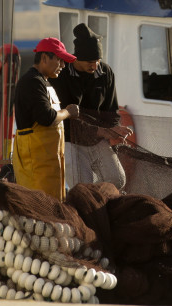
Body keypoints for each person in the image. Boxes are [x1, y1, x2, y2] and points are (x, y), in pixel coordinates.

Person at [50, 23, 130, 191]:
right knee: (82, 187)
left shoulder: (106, 72)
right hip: (70, 141)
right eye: (89, 62)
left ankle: (101, 204)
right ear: (75, 58)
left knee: (117, 179)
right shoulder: (61, 75)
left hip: (98, 139)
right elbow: (62, 118)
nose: (94, 66)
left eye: (97, 61)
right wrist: (101, 131)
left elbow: (112, 111)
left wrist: (115, 129)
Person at [12, 37, 80, 201]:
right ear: (44, 58)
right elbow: (47, 117)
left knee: (53, 203)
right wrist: (68, 112)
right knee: (39, 205)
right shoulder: (32, 82)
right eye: (59, 60)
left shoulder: (44, 82)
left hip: (48, 163)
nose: (63, 66)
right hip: (36, 164)